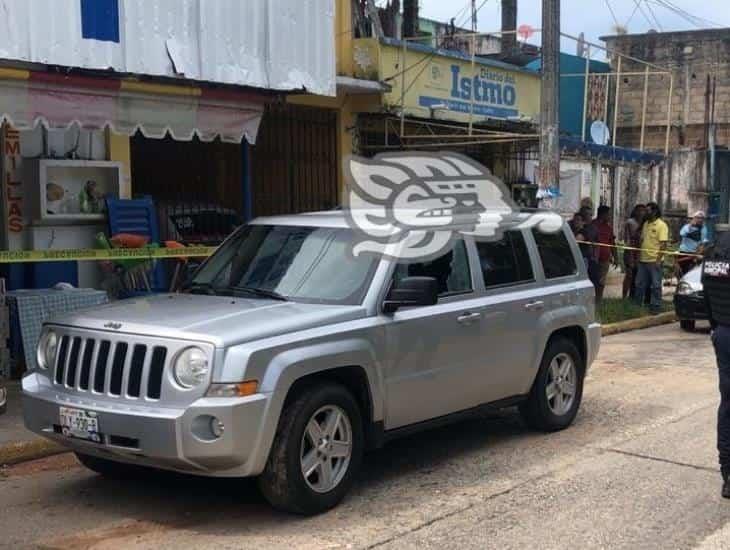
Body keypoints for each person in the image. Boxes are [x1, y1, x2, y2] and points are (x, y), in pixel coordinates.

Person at [701, 229, 730, 498]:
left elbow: (706, 295)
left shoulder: (713, 252)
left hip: (722, 332)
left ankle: (727, 474)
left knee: (728, 403)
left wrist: (714, 326)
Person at [634, 202, 669, 314]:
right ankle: (637, 306)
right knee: (639, 284)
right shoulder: (645, 224)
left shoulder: (661, 225)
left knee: (656, 285)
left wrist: (658, 260)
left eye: (647, 211)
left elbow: (663, 244)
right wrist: (638, 256)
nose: (645, 213)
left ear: (654, 211)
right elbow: (642, 241)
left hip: (654, 261)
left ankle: (655, 307)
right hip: (643, 260)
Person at [591, 205, 616, 302]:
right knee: (593, 280)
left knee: (601, 282)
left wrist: (615, 256)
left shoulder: (609, 227)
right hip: (593, 259)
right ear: (603, 214)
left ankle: (599, 301)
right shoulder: (593, 225)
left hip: (605, 259)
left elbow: (612, 243)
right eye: (608, 214)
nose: (610, 216)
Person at [623, 204, 646, 299]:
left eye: (643, 211)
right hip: (631, 251)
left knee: (639, 276)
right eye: (639, 210)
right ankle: (624, 296)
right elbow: (627, 239)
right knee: (629, 275)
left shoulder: (646, 223)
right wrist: (631, 255)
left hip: (642, 251)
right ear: (635, 211)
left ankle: (634, 296)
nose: (641, 212)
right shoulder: (630, 222)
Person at [678, 210, 709, 276]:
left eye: (701, 218)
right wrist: (691, 226)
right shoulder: (686, 227)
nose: (700, 220)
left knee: (693, 273)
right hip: (684, 252)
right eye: (698, 218)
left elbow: (703, 242)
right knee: (683, 272)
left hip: (695, 253)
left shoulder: (704, 228)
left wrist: (699, 253)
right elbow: (682, 233)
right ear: (694, 218)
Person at [579, 206, 600, 289]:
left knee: (594, 282)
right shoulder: (575, 225)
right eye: (588, 215)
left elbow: (597, 244)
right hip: (579, 258)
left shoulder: (593, 228)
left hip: (590, 258)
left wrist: (596, 258)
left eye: (591, 215)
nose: (590, 217)